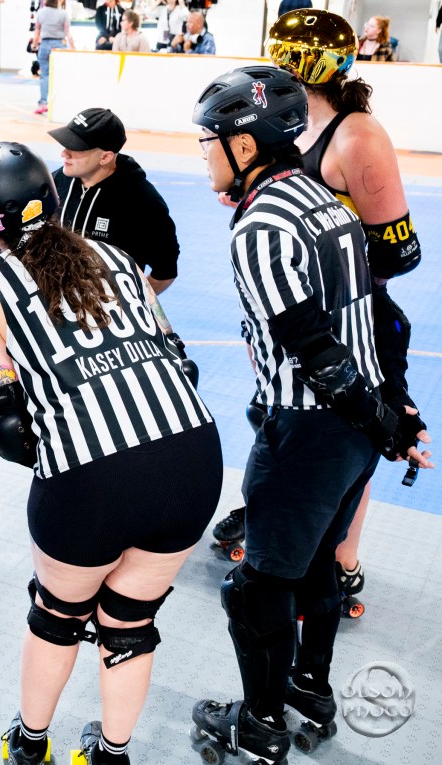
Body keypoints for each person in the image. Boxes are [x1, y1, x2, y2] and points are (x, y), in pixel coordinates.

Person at [189, 65, 433, 764]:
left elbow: (317, 353)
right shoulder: (322, 198)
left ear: (245, 144)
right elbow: (382, 318)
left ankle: (261, 724)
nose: (202, 153)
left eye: (209, 140)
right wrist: (394, 412)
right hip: (352, 428)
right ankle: (308, 689)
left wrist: (384, 422)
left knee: (258, 587)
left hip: (308, 430)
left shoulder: (262, 224)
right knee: (320, 562)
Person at [0, 141, 220, 765]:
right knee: (129, 624)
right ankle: (111, 754)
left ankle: (29, 745)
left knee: (57, 616)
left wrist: (71, 450)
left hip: (93, 477)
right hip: (191, 458)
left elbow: (8, 426)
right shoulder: (118, 257)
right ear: (49, 196)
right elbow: (181, 364)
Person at [211, 8, 428, 614]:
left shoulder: (356, 134)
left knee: (347, 433)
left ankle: (341, 562)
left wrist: (335, 273)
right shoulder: (285, 121)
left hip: (351, 314)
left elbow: (399, 251)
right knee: (286, 422)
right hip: (294, 307)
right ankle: (291, 523)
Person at [49, 108, 180, 294]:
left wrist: (130, 303)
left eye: (75, 147)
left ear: (105, 157)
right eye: (65, 144)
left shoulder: (143, 202)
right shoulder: (55, 182)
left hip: (105, 309)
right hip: (52, 302)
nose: (64, 153)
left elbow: (165, 270)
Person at [32, 0, 74, 116]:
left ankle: (43, 103)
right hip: (60, 45)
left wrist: (34, 45)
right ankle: (60, 103)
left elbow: (37, 31)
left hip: (45, 44)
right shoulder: (63, 13)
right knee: (60, 75)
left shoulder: (41, 12)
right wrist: (73, 47)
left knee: (45, 74)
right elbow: (68, 33)